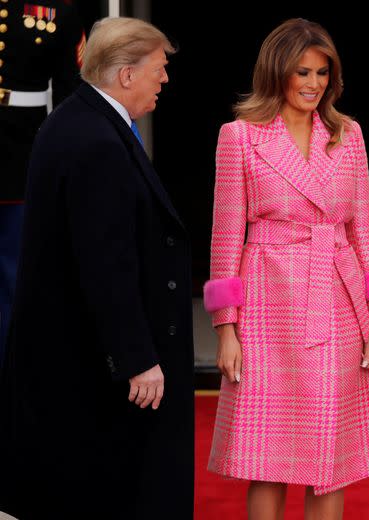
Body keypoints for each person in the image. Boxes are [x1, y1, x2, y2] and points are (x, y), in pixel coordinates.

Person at [0, 17, 194, 519]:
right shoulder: (97, 142)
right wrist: (136, 356)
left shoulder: (79, 121)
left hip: (72, 362)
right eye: (159, 68)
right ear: (126, 75)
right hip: (88, 370)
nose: (165, 79)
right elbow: (105, 262)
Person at [203, 18, 369, 519]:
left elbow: (363, 232)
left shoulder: (347, 134)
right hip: (266, 305)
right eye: (302, 73)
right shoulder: (239, 136)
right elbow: (226, 238)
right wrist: (226, 330)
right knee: (266, 457)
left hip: (334, 301)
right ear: (277, 73)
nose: (313, 85)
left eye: (322, 74)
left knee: (329, 458)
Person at [0, 0, 85, 367]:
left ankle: (11, 366)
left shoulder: (58, 9)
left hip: (20, 149)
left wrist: (62, 155)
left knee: (12, 270)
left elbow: (70, 90)